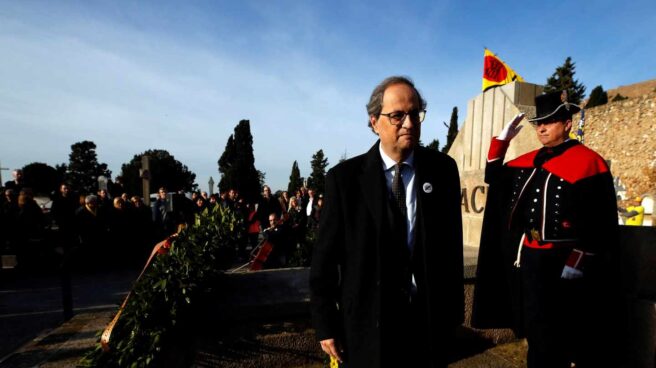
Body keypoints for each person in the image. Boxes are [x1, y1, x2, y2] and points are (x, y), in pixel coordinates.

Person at [310, 76, 464, 367]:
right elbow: (325, 261)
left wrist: (452, 314)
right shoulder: (344, 180)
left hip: (427, 323)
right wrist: (326, 324)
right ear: (374, 122)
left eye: (415, 114)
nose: (409, 123)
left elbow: (451, 246)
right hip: (368, 325)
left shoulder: (442, 170)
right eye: (397, 115)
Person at [472, 91, 623, 368]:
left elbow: (600, 220)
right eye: (538, 122)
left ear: (566, 123)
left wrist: (578, 260)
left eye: (549, 121)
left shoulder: (589, 162)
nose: (541, 127)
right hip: (530, 257)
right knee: (535, 330)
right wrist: (501, 141)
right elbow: (494, 177)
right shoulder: (529, 160)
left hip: (564, 261)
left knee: (562, 333)